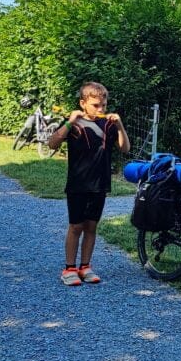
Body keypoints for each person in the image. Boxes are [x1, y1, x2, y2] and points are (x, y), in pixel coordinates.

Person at [47, 82, 130, 286]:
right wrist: (69, 122)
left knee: (91, 226)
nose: (100, 109)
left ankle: (85, 266)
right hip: (78, 184)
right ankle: (69, 268)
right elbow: (52, 143)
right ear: (83, 103)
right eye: (95, 105)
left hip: (100, 184)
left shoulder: (109, 125)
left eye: (103, 105)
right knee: (76, 226)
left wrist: (120, 125)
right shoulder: (74, 125)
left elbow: (125, 148)